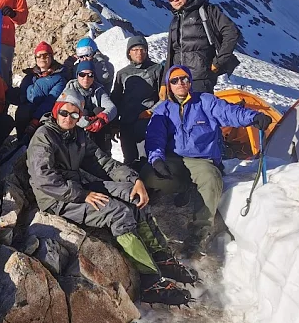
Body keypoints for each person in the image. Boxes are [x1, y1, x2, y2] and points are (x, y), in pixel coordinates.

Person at [26, 88, 196, 306]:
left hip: (78, 187)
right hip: (56, 198)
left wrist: (134, 180)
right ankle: (150, 280)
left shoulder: (78, 135)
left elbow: (102, 162)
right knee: (119, 212)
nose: (69, 118)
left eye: (75, 114)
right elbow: (44, 179)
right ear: (56, 111)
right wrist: (83, 194)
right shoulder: (44, 136)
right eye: (64, 113)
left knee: (134, 197)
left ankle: (161, 256)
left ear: (81, 116)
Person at [142, 66, 272, 258]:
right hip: (174, 158)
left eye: (184, 79)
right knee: (149, 175)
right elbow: (155, 137)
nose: (180, 84)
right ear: (169, 85)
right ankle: (178, 192)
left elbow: (230, 112)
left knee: (211, 180)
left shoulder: (205, 101)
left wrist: (253, 117)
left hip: (201, 160)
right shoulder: (163, 109)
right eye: (175, 80)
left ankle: (198, 234)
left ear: (190, 81)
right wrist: (156, 159)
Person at [163, 0, 240, 95]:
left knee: (200, 110)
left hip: (201, 78)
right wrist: (164, 83)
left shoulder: (206, 10)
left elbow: (231, 32)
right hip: (179, 80)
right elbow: (171, 53)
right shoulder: (175, 20)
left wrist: (218, 62)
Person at [112, 35, 164, 164]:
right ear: (129, 52)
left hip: (147, 120)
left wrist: (151, 111)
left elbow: (164, 96)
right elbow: (116, 98)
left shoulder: (156, 69)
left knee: (146, 157)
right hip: (126, 122)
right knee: (129, 159)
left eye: (142, 49)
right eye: (135, 50)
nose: (139, 53)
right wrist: (114, 124)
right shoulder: (122, 73)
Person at [13, 42, 68, 138]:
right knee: (22, 112)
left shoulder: (59, 78)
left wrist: (36, 119)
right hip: (26, 112)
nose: (42, 58)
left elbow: (51, 101)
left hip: (45, 115)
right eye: (39, 55)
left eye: (46, 55)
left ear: (51, 57)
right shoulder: (29, 76)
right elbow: (21, 95)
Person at [64, 60, 117, 153]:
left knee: (99, 110)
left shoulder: (98, 89)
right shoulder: (70, 90)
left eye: (90, 75)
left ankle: (105, 151)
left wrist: (102, 118)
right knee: (83, 112)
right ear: (77, 76)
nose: (86, 78)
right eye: (82, 74)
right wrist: (86, 123)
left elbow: (111, 107)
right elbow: (68, 112)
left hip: (95, 127)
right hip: (77, 126)